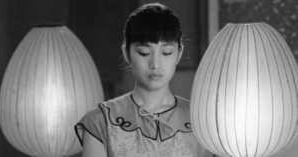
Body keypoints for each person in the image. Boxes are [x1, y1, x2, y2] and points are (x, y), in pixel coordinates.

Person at [74, 3, 215, 157]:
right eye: (144, 53)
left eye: (166, 53)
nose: (155, 64)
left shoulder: (202, 121)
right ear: (127, 53)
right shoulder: (100, 121)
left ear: (179, 53)